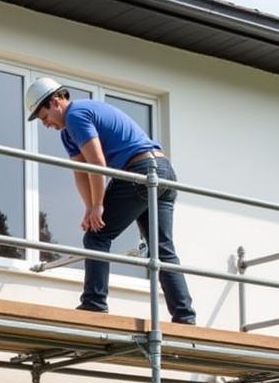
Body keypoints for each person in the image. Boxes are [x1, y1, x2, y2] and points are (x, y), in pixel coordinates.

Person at [25, 76, 196, 324]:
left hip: (140, 171)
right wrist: (89, 207)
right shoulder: (69, 133)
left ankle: (94, 304)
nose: (46, 125)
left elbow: (97, 164)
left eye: (44, 118)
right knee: (161, 250)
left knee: (97, 236)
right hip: (162, 172)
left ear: (55, 101)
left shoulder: (76, 115)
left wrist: (98, 206)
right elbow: (81, 172)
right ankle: (185, 317)